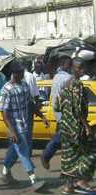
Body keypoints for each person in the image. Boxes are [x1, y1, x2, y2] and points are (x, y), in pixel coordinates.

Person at [0, 60, 48, 191]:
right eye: (20, 72)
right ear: (14, 73)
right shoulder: (6, 89)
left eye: (22, 72)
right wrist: (12, 131)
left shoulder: (25, 85)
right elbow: (4, 112)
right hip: (15, 127)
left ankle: (5, 171)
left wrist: (42, 116)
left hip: (26, 125)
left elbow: (30, 104)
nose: (22, 74)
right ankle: (33, 179)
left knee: (15, 151)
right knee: (23, 152)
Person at [59, 58, 96, 194]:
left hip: (65, 126)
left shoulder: (65, 84)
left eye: (83, 68)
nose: (83, 70)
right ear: (74, 68)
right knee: (91, 153)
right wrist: (86, 126)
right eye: (80, 68)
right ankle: (81, 180)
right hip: (76, 128)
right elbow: (78, 109)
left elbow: (57, 106)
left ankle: (69, 186)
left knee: (69, 157)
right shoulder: (78, 85)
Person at [41, 55, 73, 170]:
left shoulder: (57, 77)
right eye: (69, 64)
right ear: (64, 65)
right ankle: (46, 155)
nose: (71, 66)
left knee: (64, 141)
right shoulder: (66, 78)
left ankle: (67, 168)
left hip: (59, 112)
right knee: (61, 139)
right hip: (65, 113)